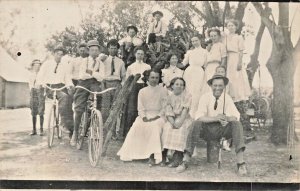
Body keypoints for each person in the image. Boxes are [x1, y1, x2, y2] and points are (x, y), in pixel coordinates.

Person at [185, 73, 247, 175]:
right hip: (207, 130)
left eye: (220, 86)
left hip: (222, 130)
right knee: (196, 123)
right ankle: (185, 160)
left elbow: (236, 115)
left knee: (236, 124)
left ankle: (241, 163)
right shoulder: (205, 97)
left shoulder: (227, 98)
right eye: (215, 85)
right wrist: (216, 118)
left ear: (224, 86)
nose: (217, 88)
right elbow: (199, 116)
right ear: (211, 86)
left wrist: (227, 118)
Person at [117, 68, 168, 166]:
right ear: (148, 78)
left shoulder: (163, 91)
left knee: (155, 126)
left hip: (159, 116)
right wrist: (144, 117)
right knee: (137, 125)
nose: (154, 80)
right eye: (152, 77)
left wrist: (156, 117)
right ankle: (137, 154)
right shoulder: (142, 91)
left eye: (157, 78)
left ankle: (153, 155)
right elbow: (140, 107)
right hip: (145, 115)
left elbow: (164, 107)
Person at [36, 46, 74, 137]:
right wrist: (41, 83)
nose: (59, 56)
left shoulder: (65, 65)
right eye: (57, 54)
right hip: (50, 87)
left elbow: (67, 78)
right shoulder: (47, 64)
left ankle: (70, 128)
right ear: (54, 54)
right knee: (64, 97)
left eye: (61, 55)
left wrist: (70, 85)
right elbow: (40, 75)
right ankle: (63, 123)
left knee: (69, 101)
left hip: (61, 87)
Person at [70, 40, 103, 146]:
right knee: (79, 108)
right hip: (83, 84)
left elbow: (102, 77)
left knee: (97, 105)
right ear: (89, 51)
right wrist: (95, 73)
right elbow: (82, 75)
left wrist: (91, 72)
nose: (94, 52)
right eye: (92, 50)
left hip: (95, 84)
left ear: (98, 52)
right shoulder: (84, 61)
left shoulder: (100, 63)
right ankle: (75, 133)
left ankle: (92, 127)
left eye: (96, 50)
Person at [223, 19, 252, 131]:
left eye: (232, 25)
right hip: (228, 59)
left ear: (236, 27)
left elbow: (240, 51)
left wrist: (239, 62)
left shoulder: (239, 37)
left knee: (236, 79)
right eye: (229, 25)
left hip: (235, 59)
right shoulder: (225, 37)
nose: (230, 27)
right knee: (228, 78)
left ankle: (237, 97)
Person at [161, 77, 193, 172]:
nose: (179, 86)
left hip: (184, 119)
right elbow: (168, 111)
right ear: (172, 86)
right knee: (167, 128)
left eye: (182, 85)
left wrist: (179, 123)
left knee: (182, 129)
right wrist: (172, 122)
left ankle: (178, 155)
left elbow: (185, 111)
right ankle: (164, 153)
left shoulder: (187, 97)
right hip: (172, 118)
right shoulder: (168, 97)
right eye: (177, 84)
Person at [100, 39, 126, 138]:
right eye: (111, 48)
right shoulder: (103, 59)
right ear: (108, 49)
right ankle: (104, 130)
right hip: (106, 83)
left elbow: (123, 76)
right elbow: (98, 64)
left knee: (115, 108)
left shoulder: (121, 62)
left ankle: (113, 130)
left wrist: (122, 85)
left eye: (115, 48)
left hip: (116, 84)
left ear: (117, 49)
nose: (113, 50)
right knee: (105, 107)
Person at [122, 47, 151, 137]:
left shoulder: (147, 66)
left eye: (142, 54)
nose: (140, 55)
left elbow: (149, 79)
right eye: (138, 53)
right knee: (132, 110)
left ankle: (142, 133)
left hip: (144, 87)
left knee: (143, 109)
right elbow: (127, 80)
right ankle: (129, 133)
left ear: (144, 55)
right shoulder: (131, 67)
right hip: (133, 88)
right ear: (135, 54)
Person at [180, 35, 208, 119]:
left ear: (200, 40)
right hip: (189, 72)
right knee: (188, 90)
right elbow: (183, 63)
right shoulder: (189, 52)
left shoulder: (205, 51)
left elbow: (206, 65)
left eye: (196, 40)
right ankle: (186, 112)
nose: (194, 42)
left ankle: (195, 113)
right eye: (193, 41)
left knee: (197, 91)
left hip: (199, 72)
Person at [29, 59, 45, 136]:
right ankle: (34, 130)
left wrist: (42, 87)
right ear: (33, 66)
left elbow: (45, 83)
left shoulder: (42, 74)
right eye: (35, 65)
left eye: (38, 65)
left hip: (40, 92)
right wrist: (31, 92)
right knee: (33, 111)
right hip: (33, 92)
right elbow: (30, 85)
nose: (37, 67)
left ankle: (41, 130)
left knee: (41, 111)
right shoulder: (31, 74)